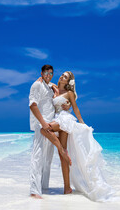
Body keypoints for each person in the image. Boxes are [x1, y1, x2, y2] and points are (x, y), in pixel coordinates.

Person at [40, 71, 114, 202]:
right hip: (56, 118)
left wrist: (83, 124)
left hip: (65, 120)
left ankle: (63, 152)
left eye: (66, 77)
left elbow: (75, 108)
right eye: (62, 75)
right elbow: (44, 81)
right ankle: (67, 188)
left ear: (69, 82)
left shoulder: (70, 94)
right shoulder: (54, 88)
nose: (62, 77)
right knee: (63, 157)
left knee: (44, 129)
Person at [29, 65, 71, 199]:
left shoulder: (50, 86)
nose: (48, 75)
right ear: (41, 73)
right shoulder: (37, 85)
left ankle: (44, 187)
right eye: (46, 72)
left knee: (47, 159)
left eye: (51, 73)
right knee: (38, 156)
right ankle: (34, 190)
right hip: (42, 125)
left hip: (51, 124)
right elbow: (33, 105)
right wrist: (43, 123)